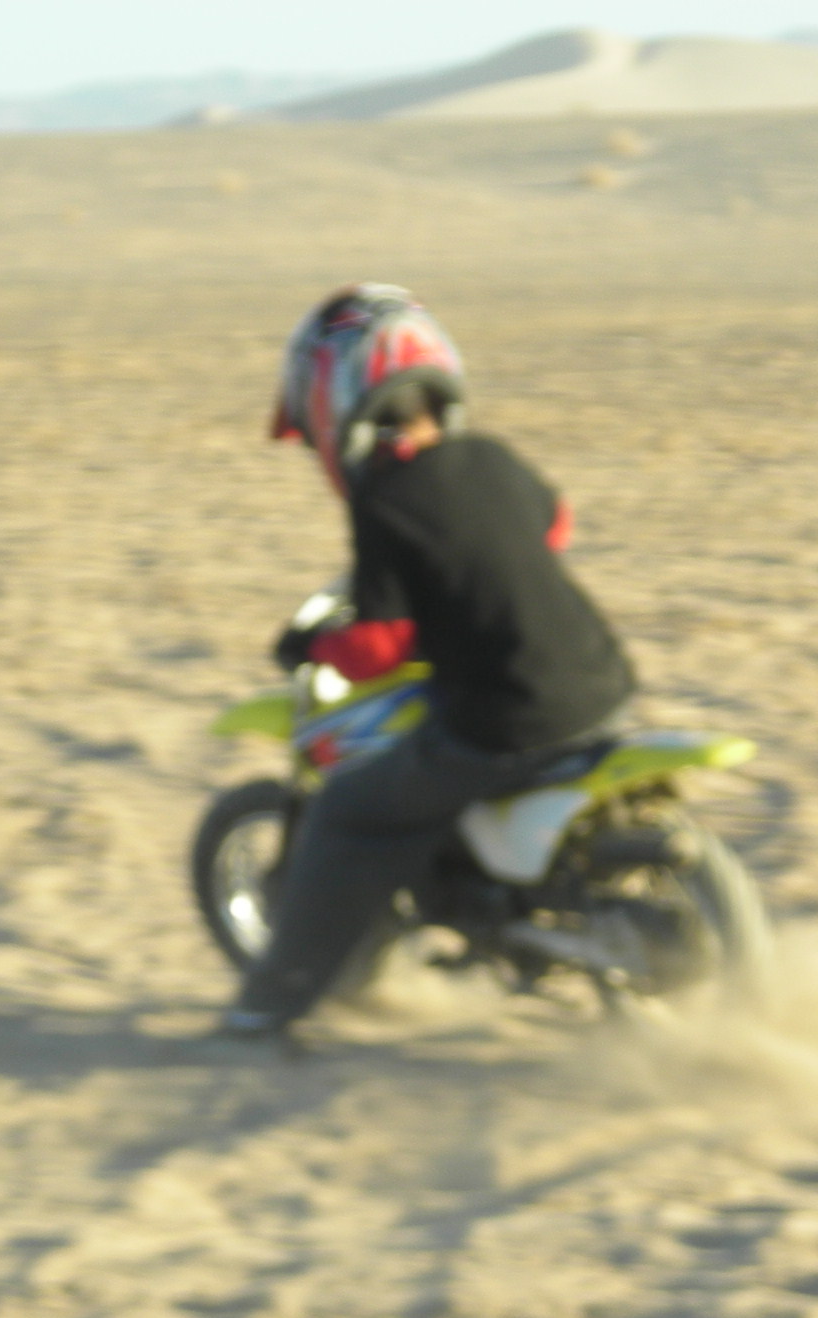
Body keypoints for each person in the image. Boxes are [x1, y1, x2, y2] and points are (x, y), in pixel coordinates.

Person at [222, 283, 636, 1036]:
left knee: (346, 812)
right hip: (606, 688)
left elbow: (375, 650)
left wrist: (311, 645)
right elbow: (555, 528)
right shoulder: (493, 458)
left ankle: (263, 1009)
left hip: (509, 723)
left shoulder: (385, 501)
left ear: (335, 406)